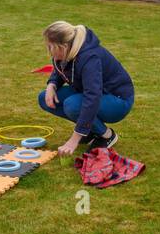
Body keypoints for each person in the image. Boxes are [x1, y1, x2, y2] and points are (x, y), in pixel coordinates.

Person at [38, 21, 135, 156]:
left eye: (51, 47)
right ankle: (91, 130)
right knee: (44, 98)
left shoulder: (90, 58)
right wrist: (52, 84)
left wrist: (74, 139)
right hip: (93, 93)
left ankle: (107, 135)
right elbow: (61, 69)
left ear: (64, 46)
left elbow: (92, 97)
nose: (48, 51)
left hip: (117, 101)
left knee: (72, 105)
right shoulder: (68, 51)